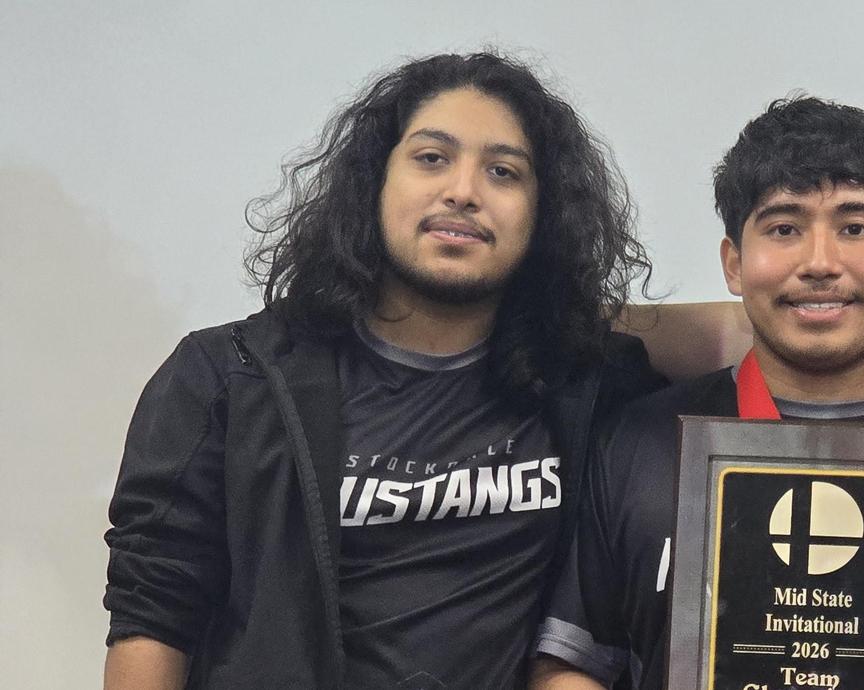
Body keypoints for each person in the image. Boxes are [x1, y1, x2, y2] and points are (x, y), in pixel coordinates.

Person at [102, 52, 664, 690]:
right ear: (375, 181)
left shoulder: (591, 385)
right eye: (431, 158)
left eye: (503, 172)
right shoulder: (229, 378)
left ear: (543, 214)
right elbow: (152, 614)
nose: (463, 191)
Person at [532, 96, 864, 690]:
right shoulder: (639, 441)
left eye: (855, 227)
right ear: (734, 264)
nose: (820, 262)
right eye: (784, 228)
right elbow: (572, 663)